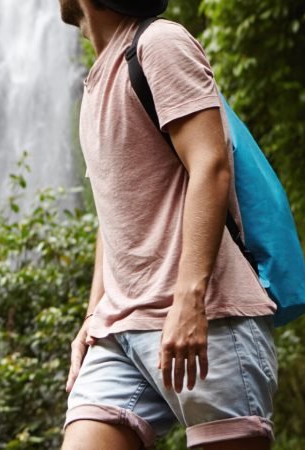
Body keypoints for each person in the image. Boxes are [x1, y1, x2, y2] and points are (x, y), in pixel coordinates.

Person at [57, 1, 280, 449]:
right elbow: (113, 210)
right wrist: (93, 314)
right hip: (118, 331)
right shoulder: (99, 77)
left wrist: (189, 298)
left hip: (207, 322)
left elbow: (210, 164)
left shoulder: (159, 44)